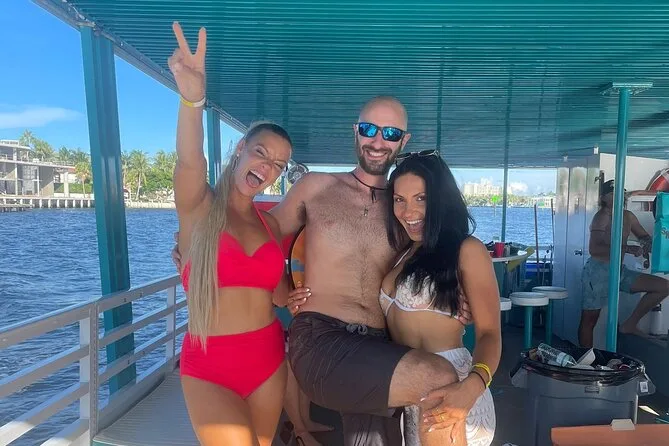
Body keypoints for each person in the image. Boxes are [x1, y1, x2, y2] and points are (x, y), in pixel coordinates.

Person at [173, 96, 466, 445]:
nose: (377, 141)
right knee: (437, 377)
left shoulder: (403, 206)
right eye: (369, 129)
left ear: (404, 140)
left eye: (390, 133)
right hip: (322, 336)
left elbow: (436, 249)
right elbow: (260, 233)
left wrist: (458, 288)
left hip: (376, 345)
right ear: (355, 132)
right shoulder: (316, 187)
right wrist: (195, 244)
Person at [169, 22, 293, 445]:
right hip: (210, 365)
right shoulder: (199, 206)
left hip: (269, 358)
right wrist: (192, 99)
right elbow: (189, 160)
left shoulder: (270, 224)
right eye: (261, 152)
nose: (267, 167)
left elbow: (278, 294)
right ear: (240, 149)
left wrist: (297, 296)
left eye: (278, 165)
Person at [378, 151, 500, 445]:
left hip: (452, 388)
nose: (408, 211)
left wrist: (473, 386)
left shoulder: (466, 250)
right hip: (411, 392)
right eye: (399, 199)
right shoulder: (405, 252)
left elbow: (490, 333)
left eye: (421, 198)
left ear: (441, 199)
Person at [578, 179, 669, 348]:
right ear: (603, 198)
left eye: (621, 193)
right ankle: (585, 358)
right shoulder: (601, 218)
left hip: (619, 271)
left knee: (663, 286)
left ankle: (630, 325)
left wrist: (650, 244)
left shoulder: (628, 216)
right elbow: (594, 249)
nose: (618, 196)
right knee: (590, 319)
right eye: (613, 193)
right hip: (597, 273)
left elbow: (643, 236)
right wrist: (627, 249)